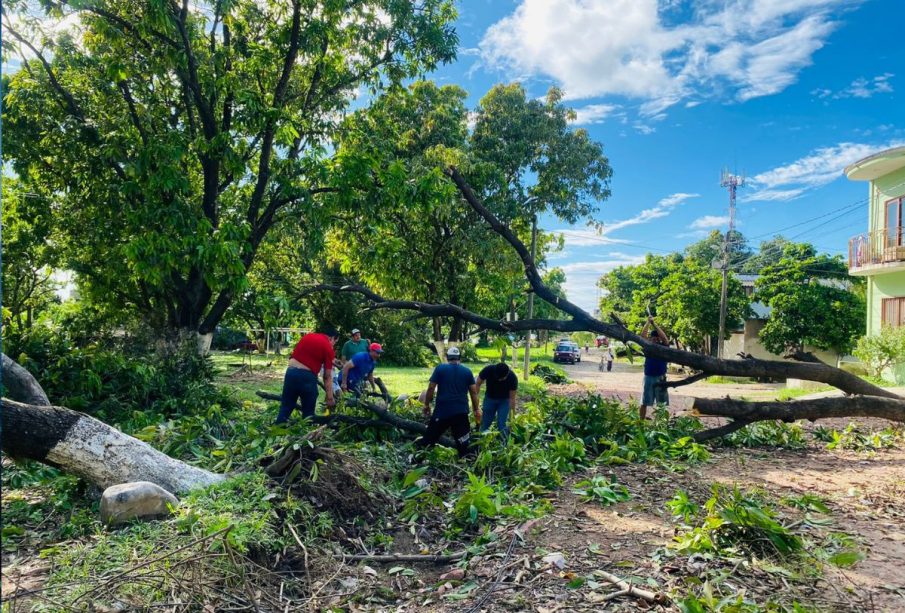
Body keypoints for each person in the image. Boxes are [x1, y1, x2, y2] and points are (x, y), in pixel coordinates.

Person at [415, 346, 481, 457]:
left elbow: (431, 387)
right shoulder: (467, 371)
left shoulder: (440, 368)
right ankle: (465, 464)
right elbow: (473, 393)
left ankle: (418, 461)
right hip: (461, 412)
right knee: (463, 445)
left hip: (442, 412)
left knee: (428, 440)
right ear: (459, 357)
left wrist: (426, 405)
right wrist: (476, 410)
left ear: (447, 358)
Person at [276, 328, 339, 424]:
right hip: (306, 377)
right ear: (332, 338)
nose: (333, 345)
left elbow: (308, 354)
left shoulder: (308, 336)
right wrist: (330, 398)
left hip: (290, 373)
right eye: (335, 342)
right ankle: (307, 431)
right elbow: (327, 376)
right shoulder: (328, 347)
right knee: (308, 414)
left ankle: (277, 429)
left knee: (286, 406)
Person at [475, 362, 518, 441]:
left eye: (502, 378)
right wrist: (476, 403)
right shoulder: (488, 370)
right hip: (489, 399)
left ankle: (504, 445)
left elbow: (512, 398)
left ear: (507, 374)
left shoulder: (512, 378)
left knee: (502, 424)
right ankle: (480, 443)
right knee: (485, 423)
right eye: (498, 377)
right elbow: (477, 384)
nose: (499, 380)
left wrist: (512, 417)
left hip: (505, 401)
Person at [639, 317, 670, 420]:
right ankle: (641, 422)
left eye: (657, 337)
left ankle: (661, 424)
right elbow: (642, 337)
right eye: (653, 337)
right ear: (650, 338)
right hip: (648, 377)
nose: (655, 339)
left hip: (661, 378)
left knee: (662, 404)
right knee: (644, 402)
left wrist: (654, 324)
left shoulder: (664, 347)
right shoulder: (647, 347)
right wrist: (648, 322)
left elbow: (665, 338)